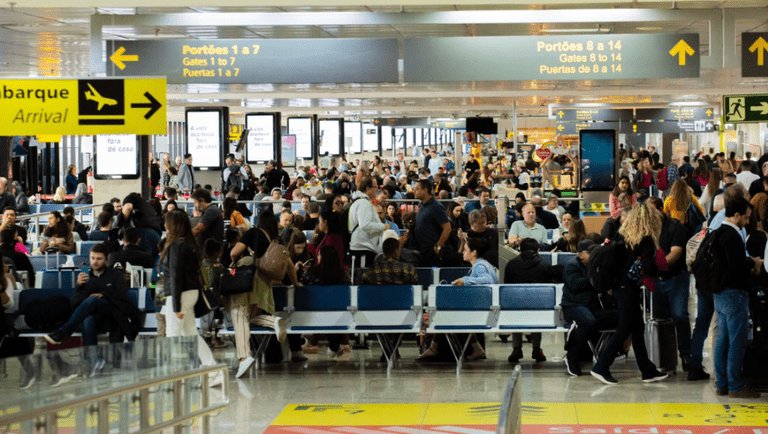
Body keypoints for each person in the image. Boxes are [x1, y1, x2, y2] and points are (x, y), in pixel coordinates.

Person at [590, 204, 669, 385]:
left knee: (637, 329)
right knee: (625, 328)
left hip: (619, 286)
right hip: (629, 288)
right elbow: (650, 268)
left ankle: (647, 371)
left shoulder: (623, 236)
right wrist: (659, 262)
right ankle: (601, 366)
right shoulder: (646, 240)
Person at [227, 210, 297, 377]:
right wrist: (296, 283)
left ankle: (244, 357)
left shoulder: (253, 233)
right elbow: (289, 264)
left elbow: (234, 253)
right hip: (264, 283)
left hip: (246, 277)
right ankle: (272, 320)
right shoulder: (276, 241)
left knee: (238, 314)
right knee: (248, 318)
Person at [159, 210, 220, 383]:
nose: (165, 226)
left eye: (167, 223)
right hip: (191, 293)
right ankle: (212, 369)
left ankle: (174, 376)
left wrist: (176, 306)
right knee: (191, 334)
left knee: (173, 334)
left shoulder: (176, 245)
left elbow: (175, 275)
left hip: (180, 295)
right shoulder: (189, 244)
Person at [44, 244, 142, 348]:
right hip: (92, 314)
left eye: (99, 259)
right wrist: (78, 285)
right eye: (92, 258)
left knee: (93, 299)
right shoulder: (86, 272)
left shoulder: (115, 274)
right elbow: (77, 298)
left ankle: (63, 331)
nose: (95, 262)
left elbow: (121, 296)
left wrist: (104, 294)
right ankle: (92, 360)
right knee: (88, 318)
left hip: (111, 314)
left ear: (106, 259)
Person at [712, 198, 761, 398]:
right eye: (747, 217)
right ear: (737, 215)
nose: (748, 221)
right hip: (734, 294)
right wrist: (752, 263)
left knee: (722, 340)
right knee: (737, 341)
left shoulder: (716, 233)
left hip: (719, 294)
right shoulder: (732, 236)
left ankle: (722, 383)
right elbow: (736, 267)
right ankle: (735, 386)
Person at [561, 239, 619, 376]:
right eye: (589, 252)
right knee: (588, 321)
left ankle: (603, 353)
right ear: (580, 254)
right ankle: (572, 355)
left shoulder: (593, 265)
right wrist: (592, 276)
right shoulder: (572, 266)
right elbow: (574, 285)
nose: (593, 255)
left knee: (620, 317)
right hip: (573, 306)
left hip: (590, 307)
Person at [648, 197, 693, 371]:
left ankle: (686, 355)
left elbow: (675, 253)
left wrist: (655, 266)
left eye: (652, 211)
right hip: (657, 281)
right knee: (660, 319)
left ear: (661, 209)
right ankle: (665, 359)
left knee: (679, 315)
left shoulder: (676, 228)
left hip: (676, 278)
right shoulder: (648, 229)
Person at [503, 238, 557, 363]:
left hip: (516, 304)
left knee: (516, 317)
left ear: (520, 250)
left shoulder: (511, 264)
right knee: (536, 318)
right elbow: (552, 284)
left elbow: (507, 285)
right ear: (537, 250)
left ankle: (516, 348)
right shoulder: (544, 264)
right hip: (539, 305)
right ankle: (536, 349)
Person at [348, 176, 389, 268]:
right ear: (367, 188)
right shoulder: (363, 203)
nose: (377, 189)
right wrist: (383, 226)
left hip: (363, 247)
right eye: (375, 187)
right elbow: (365, 225)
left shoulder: (360, 201)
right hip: (363, 248)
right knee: (363, 278)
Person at [412, 179, 451, 267]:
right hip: (421, 249)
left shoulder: (436, 207)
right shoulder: (421, 204)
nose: (414, 191)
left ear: (425, 190)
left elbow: (447, 228)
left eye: (417, 189)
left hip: (431, 251)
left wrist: (437, 247)